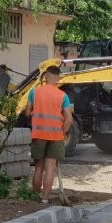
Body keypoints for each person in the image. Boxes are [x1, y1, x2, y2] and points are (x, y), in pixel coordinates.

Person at [25, 66, 73, 204]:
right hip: (56, 136)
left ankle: (34, 198)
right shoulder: (63, 96)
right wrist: (63, 131)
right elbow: (69, 119)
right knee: (50, 167)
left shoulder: (34, 92)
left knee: (39, 167)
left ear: (46, 76)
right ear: (58, 78)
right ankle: (45, 199)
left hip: (38, 134)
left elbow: (28, 112)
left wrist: (34, 113)